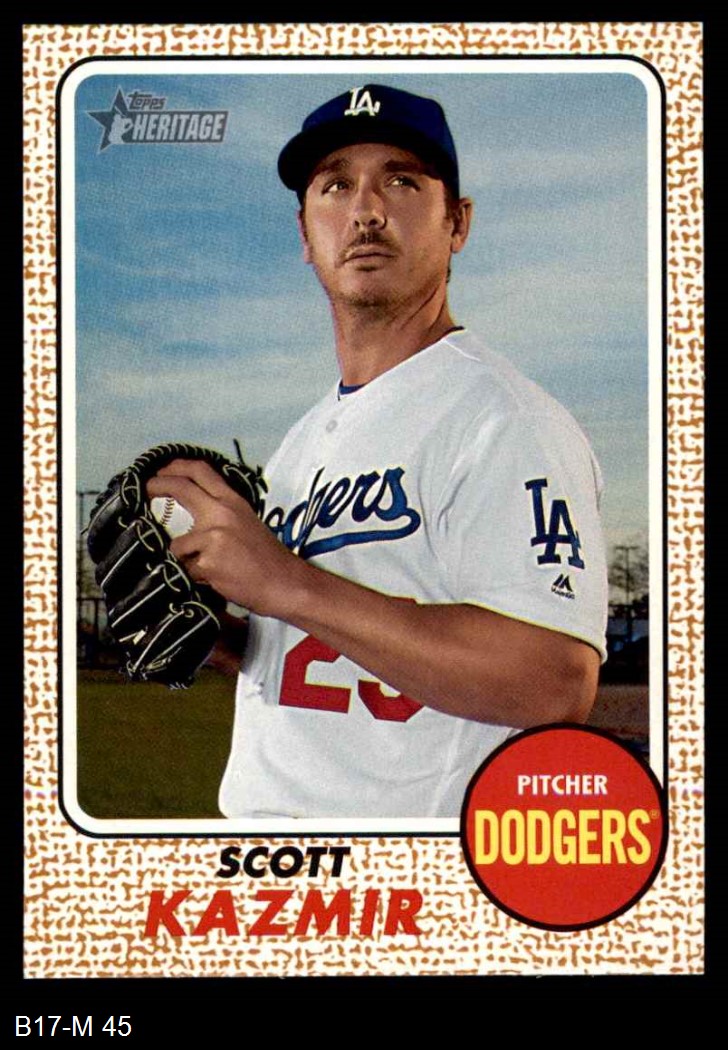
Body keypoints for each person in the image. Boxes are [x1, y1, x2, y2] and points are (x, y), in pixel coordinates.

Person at [147, 83, 608, 819]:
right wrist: (230, 639)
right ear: (305, 234)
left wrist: (282, 583)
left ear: (458, 223)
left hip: (404, 857)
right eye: (336, 185)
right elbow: (330, 645)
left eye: (401, 181)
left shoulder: (503, 418)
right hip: (266, 850)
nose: (366, 211)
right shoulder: (305, 438)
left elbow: (552, 680)